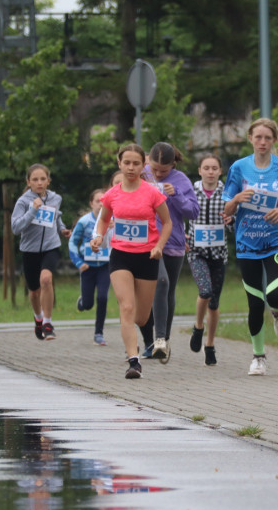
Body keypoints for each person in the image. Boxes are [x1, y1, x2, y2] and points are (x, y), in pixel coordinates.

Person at [223, 118, 278, 376]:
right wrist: (236, 199)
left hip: (275, 242)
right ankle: (258, 357)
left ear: (273, 141)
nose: (262, 142)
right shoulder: (239, 168)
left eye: (267, 138)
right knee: (255, 302)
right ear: (250, 138)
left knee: (273, 295)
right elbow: (226, 208)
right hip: (247, 242)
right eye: (258, 137)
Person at [90, 143, 172, 379]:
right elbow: (103, 221)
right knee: (126, 307)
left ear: (143, 165)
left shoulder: (152, 193)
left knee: (141, 317)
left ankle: (153, 338)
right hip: (121, 255)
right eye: (126, 162)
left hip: (147, 256)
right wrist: (98, 236)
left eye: (136, 163)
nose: (131, 167)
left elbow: (167, 223)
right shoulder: (112, 194)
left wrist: (159, 246)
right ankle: (133, 361)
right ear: (119, 163)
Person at [138, 142, 199, 363]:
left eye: (163, 171)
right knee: (159, 284)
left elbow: (193, 212)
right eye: (153, 168)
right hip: (146, 241)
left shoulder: (181, 180)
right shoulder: (141, 174)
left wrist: (176, 196)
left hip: (173, 243)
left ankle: (163, 342)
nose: (157, 174)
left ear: (173, 165)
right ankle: (156, 340)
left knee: (167, 290)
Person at [10, 163, 71, 341]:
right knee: (34, 292)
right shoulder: (23, 202)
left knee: (46, 279)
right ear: (28, 182)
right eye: (35, 179)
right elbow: (15, 227)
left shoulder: (55, 198)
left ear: (48, 181)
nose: (39, 183)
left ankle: (48, 322)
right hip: (30, 250)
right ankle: (38, 318)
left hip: (51, 247)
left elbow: (56, 215)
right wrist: (32, 210)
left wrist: (62, 229)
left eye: (43, 179)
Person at [187, 154, 228, 366]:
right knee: (205, 290)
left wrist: (231, 219)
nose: (210, 172)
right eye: (206, 168)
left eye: (214, 168)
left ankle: (210, 345)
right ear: (200, 170)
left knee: (214, 303)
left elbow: (234, 219)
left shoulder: (227, 191)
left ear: (220, 171)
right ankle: (197, 327)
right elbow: (177, 213)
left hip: (219, 254)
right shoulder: (191, 191)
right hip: (197, 251)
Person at [68, 182, 116, 346]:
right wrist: (79, 262)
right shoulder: (84, 221)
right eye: (98, 201)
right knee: (88, 304)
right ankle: (82, 302)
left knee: (102, 297)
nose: (101, 204)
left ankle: (98, 333)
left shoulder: (113, 220)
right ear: (91, 203)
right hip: (87, 266)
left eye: (104, 200)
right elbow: (73, 243)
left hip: (104, 265)